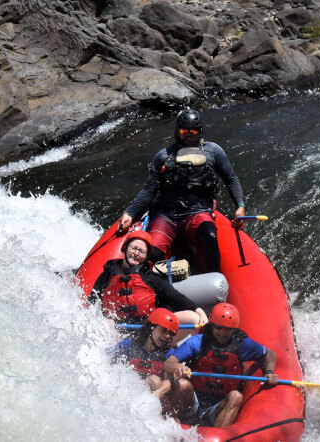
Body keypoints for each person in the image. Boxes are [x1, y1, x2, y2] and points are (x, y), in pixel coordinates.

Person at [117, 108, 247, 274]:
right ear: (177, 131)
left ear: (199, 131)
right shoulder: (163, 156)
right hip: (167, 216)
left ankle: (214, 280)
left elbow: (231, 179)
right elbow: (149, 190)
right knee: (151, 252)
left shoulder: (213, 151)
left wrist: (240, 205)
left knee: (210, 236)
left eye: (193, 131)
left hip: (198, 213)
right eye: (184, 130)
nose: (188, 134)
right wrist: (129, 212)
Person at [163, 303, 278, 427]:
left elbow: (269, 354)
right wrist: (178, 367)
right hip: (192, 401)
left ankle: (218, 435)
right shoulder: (198, 342)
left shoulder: (243, 344)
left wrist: (269, 372)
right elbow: (169, 363)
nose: (223, 332)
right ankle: (177, 424)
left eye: (228, 329)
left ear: (234, 329)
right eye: (219, 327)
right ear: (211, 325)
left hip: (219, 406)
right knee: (182, 384)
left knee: (236, 396)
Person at [89, 230, 208, 339]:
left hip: (147, 334)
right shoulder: (108, 274)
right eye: (133, 248)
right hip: (116, 332)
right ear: (125, 248)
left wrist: (199, 311)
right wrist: (103, 320)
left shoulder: (151, 278)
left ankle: (184, 357)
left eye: (141, 251)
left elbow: (175, 297)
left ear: (146, 257)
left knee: (193, 318)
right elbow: (92, 302)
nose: (136, 253)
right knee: (104, 325)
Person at [110, 308, 180, 401]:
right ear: (151, 327)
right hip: (127, 392)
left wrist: (158, 393)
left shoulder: (170, 354)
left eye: (171, 333)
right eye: (164, 330)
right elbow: (108, 361)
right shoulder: (128, 345)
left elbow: (170, 380)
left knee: (154, 380)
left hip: (157, 398)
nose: (167, 336)